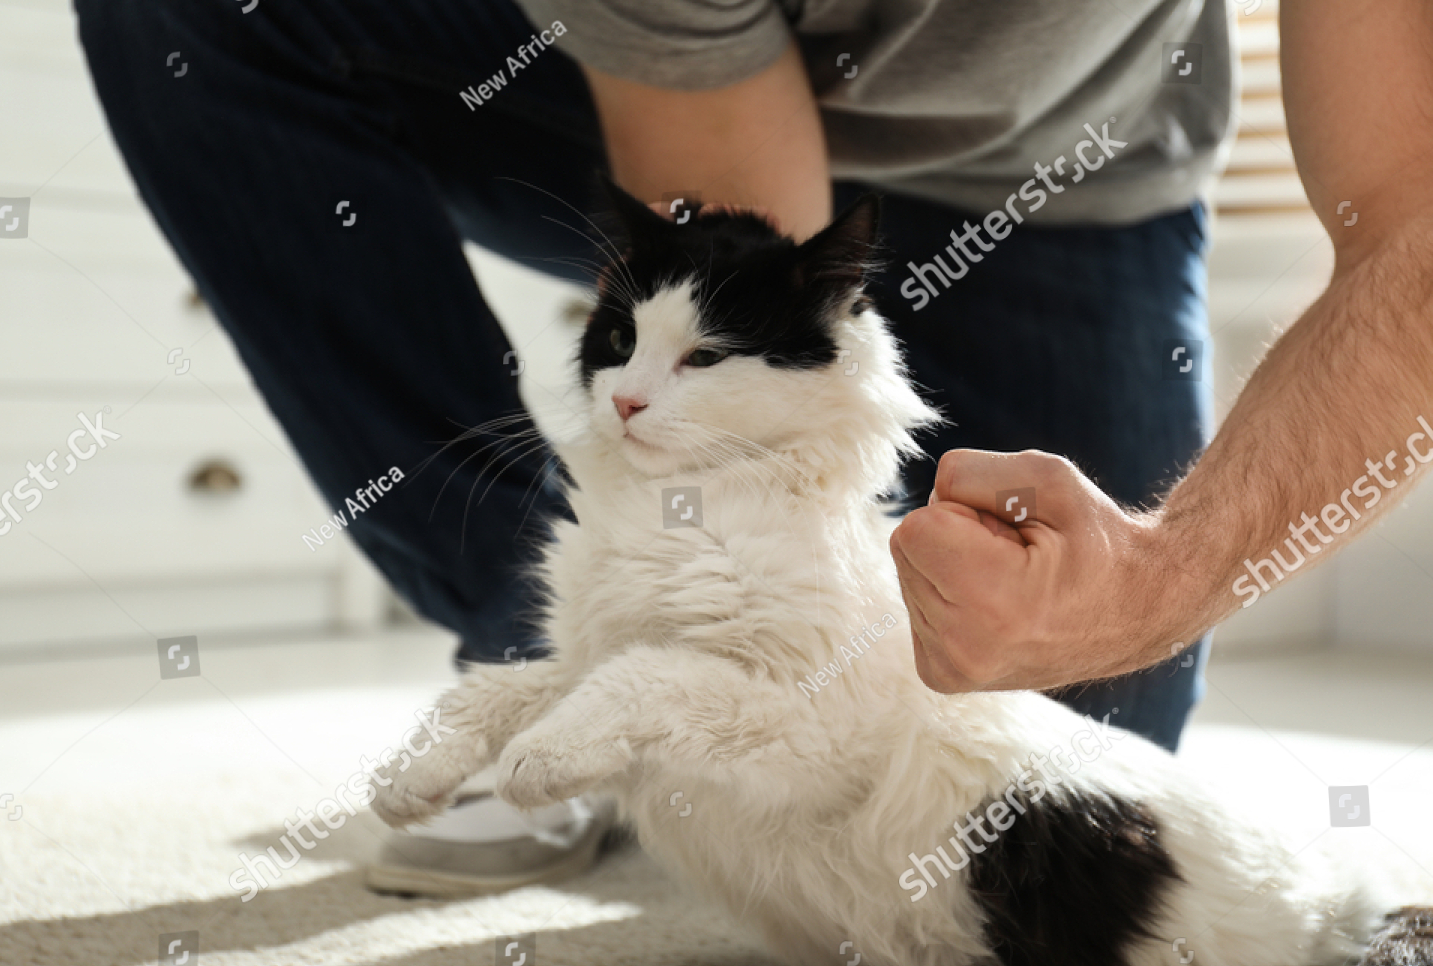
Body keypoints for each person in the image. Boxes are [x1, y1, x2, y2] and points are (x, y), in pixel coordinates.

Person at [74, 0, 1414, 893]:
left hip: (1060, 174)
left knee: (1068, 786)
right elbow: (743, 266)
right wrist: (674, 626)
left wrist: (1157, 577)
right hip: (687, 121)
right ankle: (539, 631)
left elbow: (1417, 221)